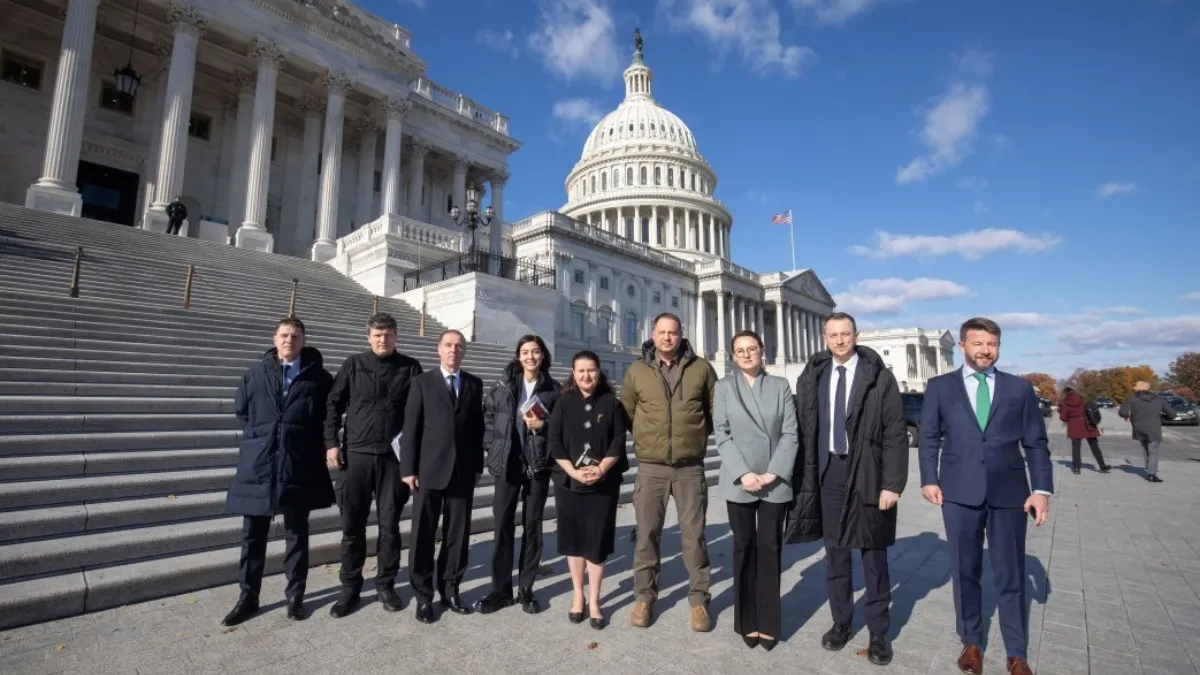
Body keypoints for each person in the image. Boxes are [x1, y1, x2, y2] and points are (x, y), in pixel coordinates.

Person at [918, 317, 1052, 675]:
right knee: (966, 571)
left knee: (1011, 573)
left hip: (1009, 492)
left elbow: (1036, 443)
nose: (985, 350)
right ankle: (972, 642)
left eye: (991, 344)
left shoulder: (1019, 389)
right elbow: (929, 436)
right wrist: (928, 479)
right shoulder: (940, 387)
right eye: (977, 344)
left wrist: (1040, 490)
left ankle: (1016, 652)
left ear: (999, 347)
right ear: (962, 346)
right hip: (959, 491)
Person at [793, 313, 907, 665]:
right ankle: (841, 622)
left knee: (873, 556)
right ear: (824, 337)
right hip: (829, 471)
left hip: (869, 473)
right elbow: (800, 425)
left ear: (856, 335)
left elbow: (895, 432)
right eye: (833, 335)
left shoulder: (879, 377)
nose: (840, 340)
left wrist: (892, 484)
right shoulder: (814, 375)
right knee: (836, 554)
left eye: (846, 334)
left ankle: (878, 632)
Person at [222, 318, 334, 626]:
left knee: (297, 533)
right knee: (253, 535)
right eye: (284, 335)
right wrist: (266, 438)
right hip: (259, 464)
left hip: (299, 463)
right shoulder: (254, 374)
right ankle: (248, 597)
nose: (289, 340)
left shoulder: (320, 379)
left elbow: (328, 418)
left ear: (304, 340)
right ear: (274, 338)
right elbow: (243, 412)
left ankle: (296, 596)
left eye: (295, 336)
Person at [621, 312, 719, 632]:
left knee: (694, 536)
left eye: (673, 332)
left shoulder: (702, 369)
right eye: (662, 332)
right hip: (652, 468)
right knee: (647, 535)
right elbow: (628, 414)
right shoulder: (637, 371)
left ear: (681, 335)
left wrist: (693, 439)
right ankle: (644, 596)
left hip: (690, 467)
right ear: (653, 333)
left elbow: (713, 411)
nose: (667, 338)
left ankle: (699, 599)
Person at [323, 313, 423, 617]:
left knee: (389, 525)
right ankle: (350, 587)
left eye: (389, 334)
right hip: (357, 457)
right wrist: (331, 443)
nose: (383, 339)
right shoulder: (353, 365)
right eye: (378, 335)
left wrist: (412, 458)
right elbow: (332, 405)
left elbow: (418, 415)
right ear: (369, 337)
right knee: (352, 526)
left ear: (396, 337)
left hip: (393, 460)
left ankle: (386, 583)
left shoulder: (410, 367)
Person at [713, 330, 798, 651]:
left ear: (762, 351)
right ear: (733, 357)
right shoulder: (724, 387)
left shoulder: (779, 386)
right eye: (740, 351)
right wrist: (745, 473)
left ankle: (769, 621)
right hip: (740, 479)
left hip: (774, 478)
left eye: (752, 349)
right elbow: (721, 433)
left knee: (771, 547)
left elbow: (791, 433)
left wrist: (773, 472)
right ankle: (746, 621)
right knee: (743, 547)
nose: (746, 355)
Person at [401, 329, 485, 624]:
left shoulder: (475, 384)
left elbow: (477, 431)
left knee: (457, 537)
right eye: (448, 345)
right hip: (428, 472)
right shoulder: (422, 383)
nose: (453, 350)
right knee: (423, 535)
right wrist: (408, 469)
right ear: (439, 349)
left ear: (464, 351)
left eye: (459, 346)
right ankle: (423, 597)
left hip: (462, 474)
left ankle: (450, 590)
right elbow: (410, 429)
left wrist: (477, 467)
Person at [475, 335, 561, 615]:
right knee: (502, 525)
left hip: (536, 465)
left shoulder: (554, 389)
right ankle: (501, 590)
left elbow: (561, 429)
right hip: (507, 464)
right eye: (525, 352)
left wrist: (544, 425)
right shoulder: (502, 385)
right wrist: (491, 446)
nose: (530, 357)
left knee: (532, 526)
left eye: (535, 352)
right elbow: (487, 418)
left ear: (543, 356)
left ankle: (526, 588)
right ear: (518, 356)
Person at [549, 350, 630, 630]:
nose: (586, 375)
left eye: (591, 370)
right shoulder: (563, 402)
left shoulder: (611, 403)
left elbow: (618, 441)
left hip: (603, 485)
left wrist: (601, 469)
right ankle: (578, 595)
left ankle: (595, 600)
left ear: (599, 372)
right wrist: (572, 472)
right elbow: (555, 441)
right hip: (569, 485)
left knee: (596, 543)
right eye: (581, 370)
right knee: (574, 542)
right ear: (573, 373)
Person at [1118, 381, 1171, 483]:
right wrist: (1163, 417)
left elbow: (1122, 412)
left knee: (1146, 448)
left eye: (1135, 386)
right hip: (1154, 428)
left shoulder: (1132, 399)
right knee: (1153, 452)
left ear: (1140, 388)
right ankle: (1152, 474)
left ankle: (1149, 469)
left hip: (1139, 428)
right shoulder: (1159, 399)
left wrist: (1126, 416)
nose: (1134, 387)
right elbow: (1172, 414)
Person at [1058, 387, 1110, 475]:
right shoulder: (1081, 399)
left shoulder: (1066, 403)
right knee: (1094, 446)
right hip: (1088, 424)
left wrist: (1061, 412)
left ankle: (1077, 468)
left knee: (1076, 448)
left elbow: (1063, 417)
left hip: (1074, 425)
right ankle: (1102, 466)